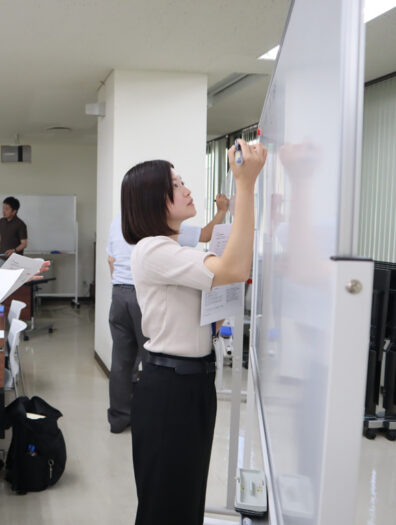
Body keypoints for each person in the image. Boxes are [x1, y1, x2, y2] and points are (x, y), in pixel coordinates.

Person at [121, 140, 267, 525]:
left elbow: (210, 302)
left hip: (193, 382)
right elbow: (234, 269)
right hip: (170, 389)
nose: (186, 189)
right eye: (174, 185)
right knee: (166, 507)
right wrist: (246, 185)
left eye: (182, 181)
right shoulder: (153, 249)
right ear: (152, 200)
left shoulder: (175, 249)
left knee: (185, 502)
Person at [106, 193, 229, 433]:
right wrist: (222, 211)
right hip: (143, 295)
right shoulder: (158, 226)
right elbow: (206, 235)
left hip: (118, 294)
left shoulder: (118, 221)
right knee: (153, 362)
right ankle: (148, 419)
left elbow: (111, 259)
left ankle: (118, 419)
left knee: (121, 362)